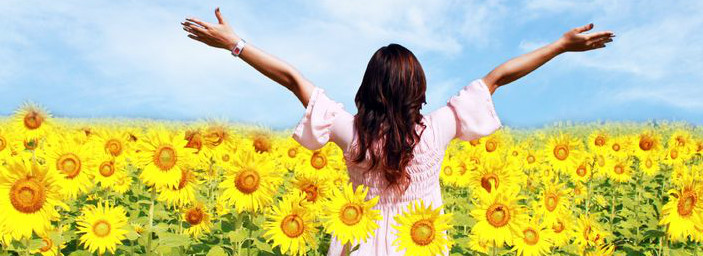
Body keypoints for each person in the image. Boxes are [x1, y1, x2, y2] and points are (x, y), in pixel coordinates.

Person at [182, 7, 613, 256]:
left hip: (355, 245)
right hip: (420, 246)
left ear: (368, 87)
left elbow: (293, 78)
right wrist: (560, 46)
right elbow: (498, 77)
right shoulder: (439, 128)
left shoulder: (350, 132)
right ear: (418, 87)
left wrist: (235, 44)